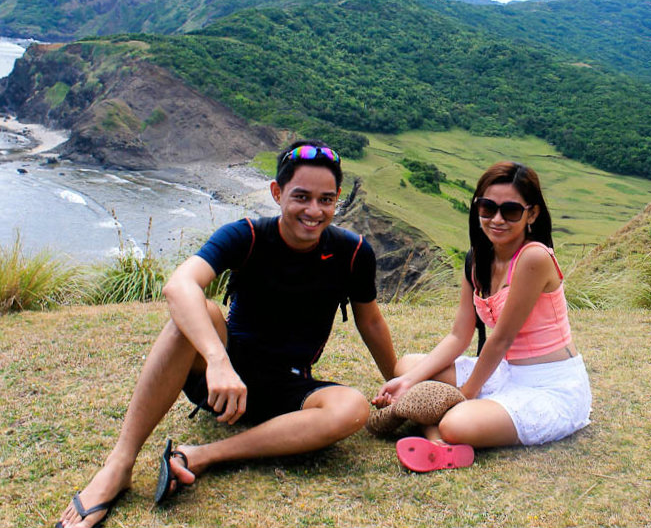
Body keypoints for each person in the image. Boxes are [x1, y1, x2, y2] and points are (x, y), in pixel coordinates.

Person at [56, 140, 397, 528]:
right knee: (197, 309)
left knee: (352, 407)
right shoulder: (246, 236)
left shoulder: (353, 253)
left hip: (290, 387)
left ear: (337, 200)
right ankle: (118, 465)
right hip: (223, 380)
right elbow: (179, 285)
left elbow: (370, 321)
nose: (314, 211)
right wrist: (218, 361)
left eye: (326, 199)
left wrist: (397, 382)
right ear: (276, 192)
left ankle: (202, 455)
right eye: (301, 196)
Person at [373, 161, 591, 471]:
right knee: (407, 366)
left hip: (548, 386)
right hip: (503, 372)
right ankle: (439, 440)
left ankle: (440, 434)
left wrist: (465, 395)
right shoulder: (477, 259)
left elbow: (501, 339)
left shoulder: (534, 257)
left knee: (455, 423)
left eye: (511, 211)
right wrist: (407, 381)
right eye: (487, 208)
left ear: (532, 214)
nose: (497, 219)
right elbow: (459, 336)